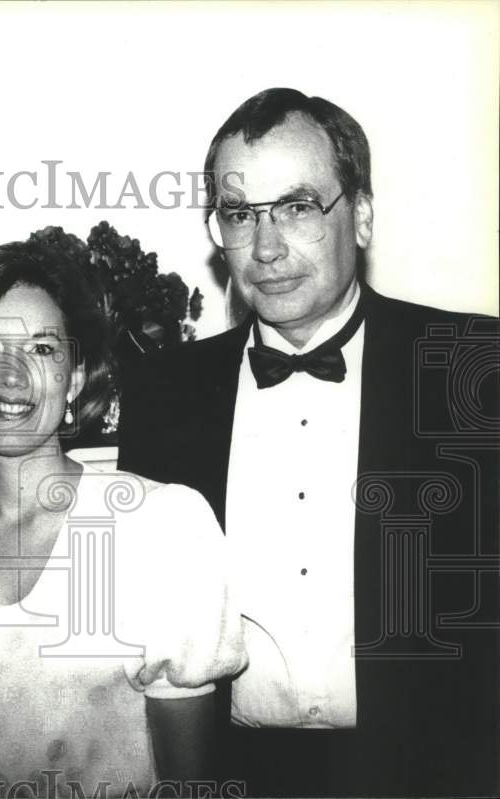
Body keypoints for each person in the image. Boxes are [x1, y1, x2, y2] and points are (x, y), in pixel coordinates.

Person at [118, 87, 500, 796]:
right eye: (239, 214)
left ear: (361, 215)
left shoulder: (474, 369)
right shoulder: (162, 394)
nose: (266, 248)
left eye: (297, 207)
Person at [0, 242, 246, 797]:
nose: (11, 375)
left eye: (42, 349)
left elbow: (190, 785)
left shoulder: (161, 527)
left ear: (74, 380)